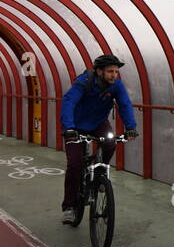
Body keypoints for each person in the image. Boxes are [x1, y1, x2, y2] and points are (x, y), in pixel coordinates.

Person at [59, 54, 139, 224]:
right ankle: (69, 207)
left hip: (97, 122)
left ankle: (100, 169)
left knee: (110, 142)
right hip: (75, 125)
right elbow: (69, 101)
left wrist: (131, 127)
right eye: (110, 71)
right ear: (99, 71)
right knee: (75, 164)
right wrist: (69, 128)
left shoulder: (116, 85)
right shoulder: (84, 82)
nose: (114, 75)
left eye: (116, 72)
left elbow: (125, 104)